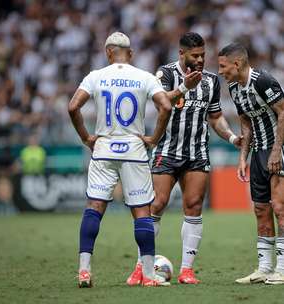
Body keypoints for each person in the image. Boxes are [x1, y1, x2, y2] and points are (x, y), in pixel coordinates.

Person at [127, 32, 242, 285]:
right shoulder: (166, 74)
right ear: (182, 54)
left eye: (203, 55)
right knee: (156, 204)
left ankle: (187, 270)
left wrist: (233, 137)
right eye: (195, 56)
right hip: (167, 150)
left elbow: (215, 117)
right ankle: (140, 268)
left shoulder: (212, 81)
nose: (200, 60)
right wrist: (183, 88)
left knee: (193, 206)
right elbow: (161, 103)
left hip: (197, 152)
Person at [68, 32, 173, 287]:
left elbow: (73, 107)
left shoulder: (96, 76)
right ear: (131, 53)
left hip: (103, 148)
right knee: (141, 212)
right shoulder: (144, 77)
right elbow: (166, 107)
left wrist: (86, 138)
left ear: (108, 52)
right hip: (134, 150)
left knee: (94, 207)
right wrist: (154, 138)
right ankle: (148, 276)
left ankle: (84, 270)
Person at [218, 43, 284, 285]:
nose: (221, 71)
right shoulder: (234, 87)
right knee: (260, 209)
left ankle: (283, 269)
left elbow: (283, 112)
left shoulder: (263, 80)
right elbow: (245, 120)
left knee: (280, 207)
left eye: (223, 66)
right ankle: (265, 268)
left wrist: (277, 151)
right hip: (257, 152)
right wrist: (243, 156)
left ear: (237, 64)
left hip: (278, 149)